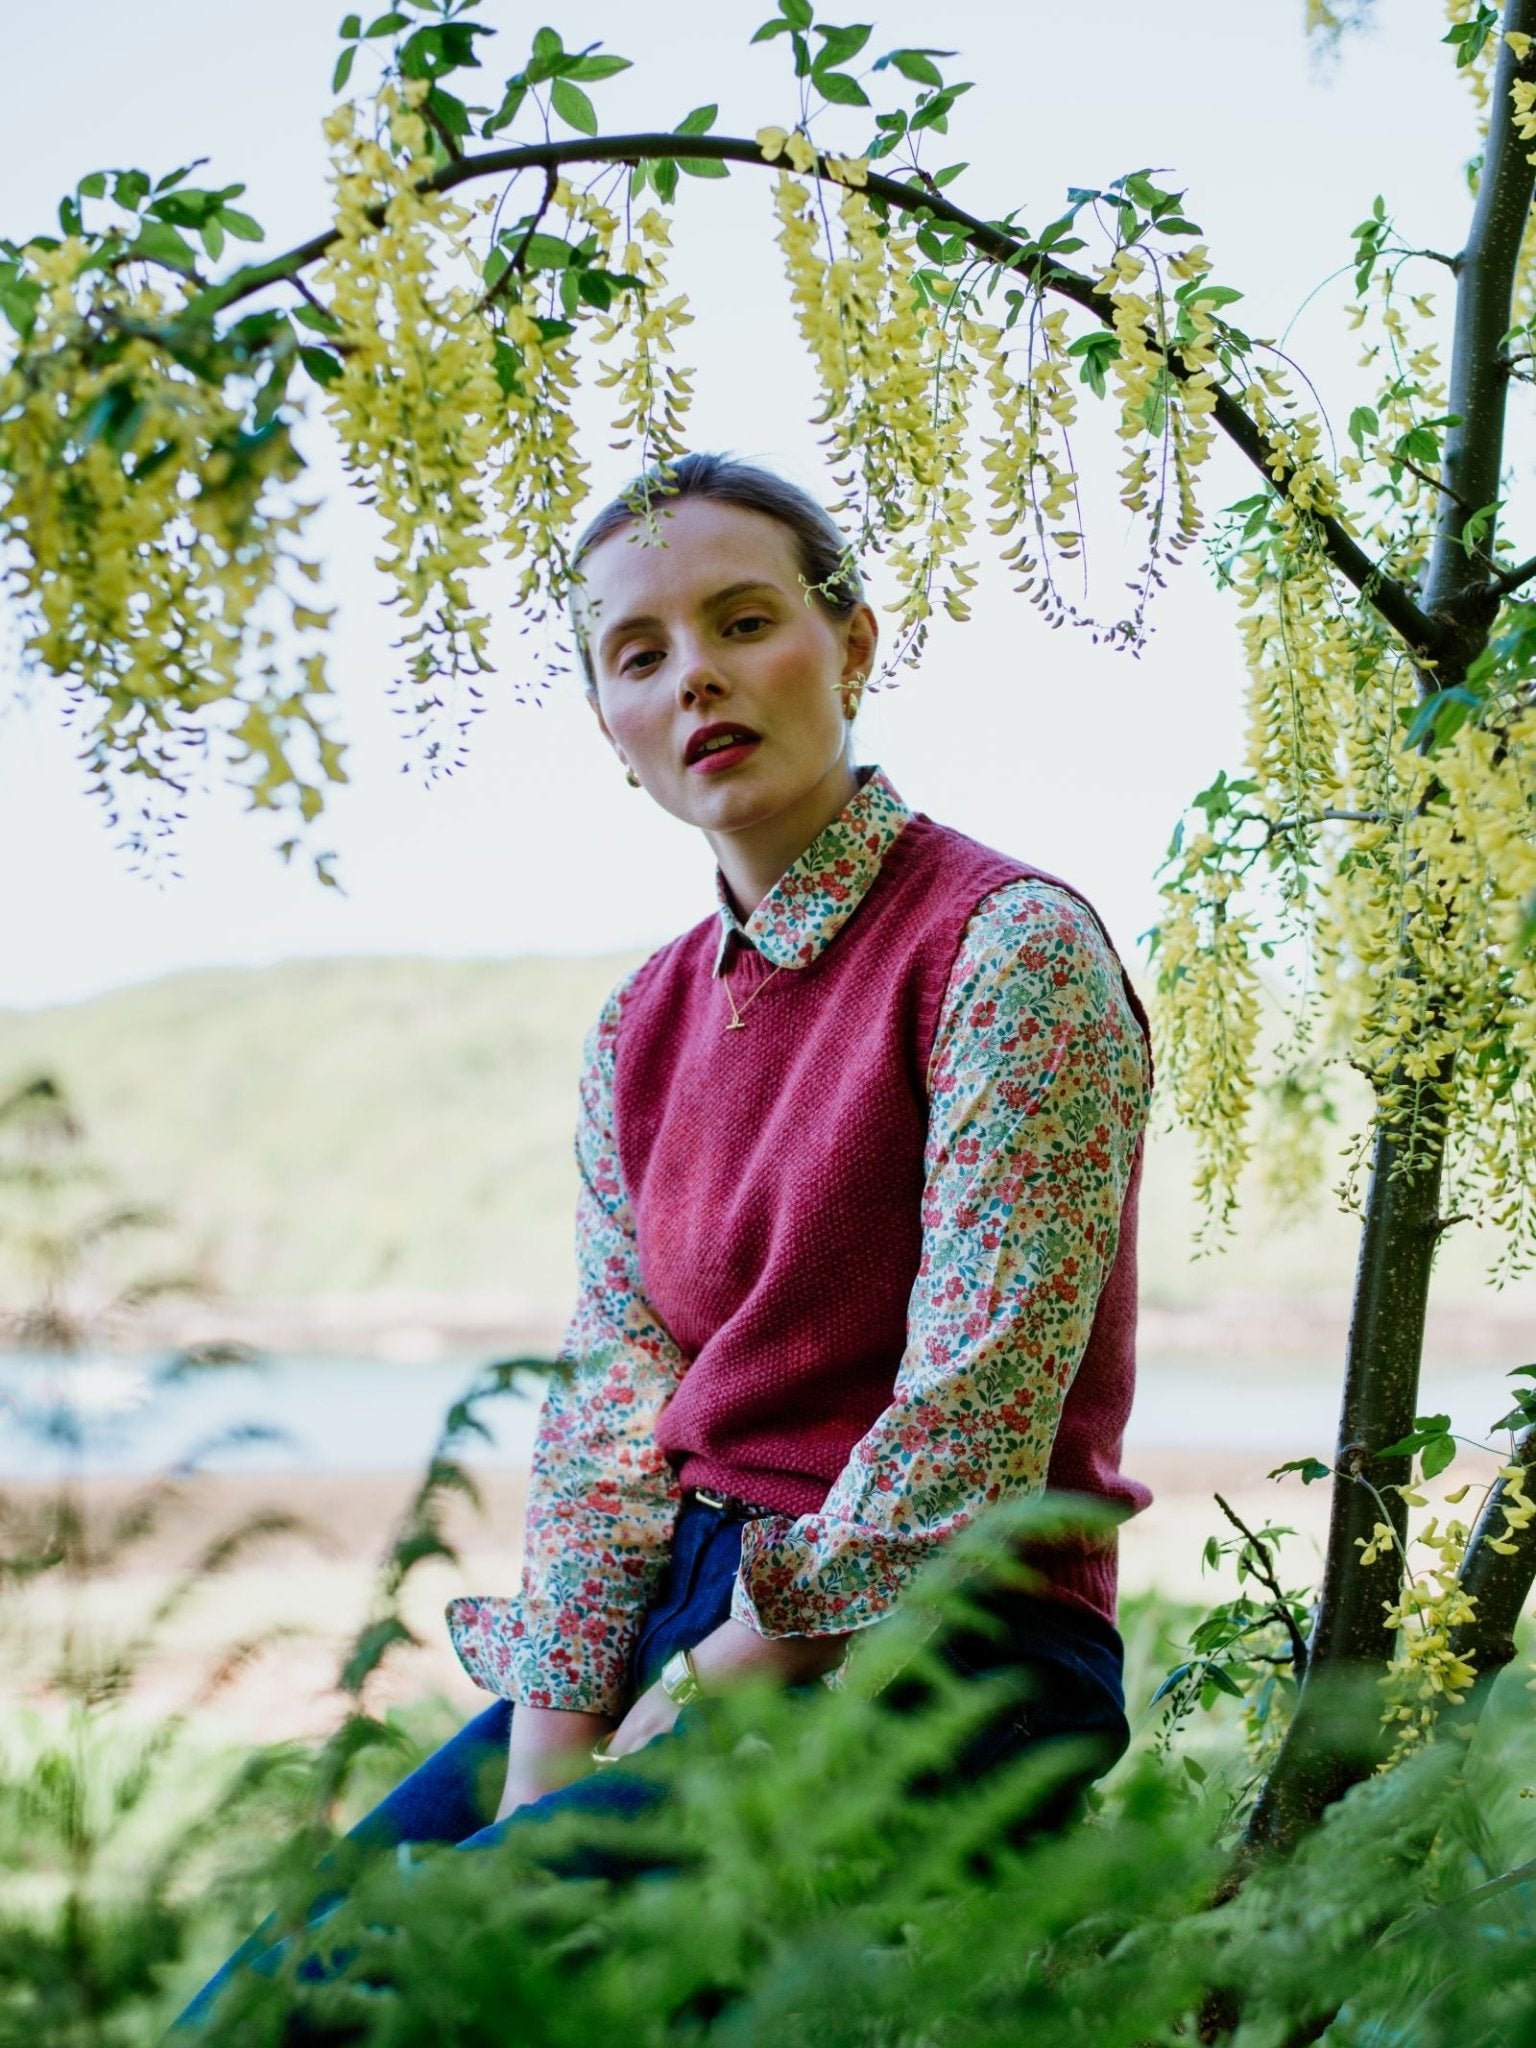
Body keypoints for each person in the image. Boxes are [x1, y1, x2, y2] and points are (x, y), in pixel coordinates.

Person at [172, 452, 1152, 2032]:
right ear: (611, 731)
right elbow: (612, 1415)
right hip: (679, 1611)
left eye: (744, 620)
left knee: (409, 1990)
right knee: (261, 1999)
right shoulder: (639, 1024)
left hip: (949, 1650)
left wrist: (718, 1691)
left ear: (852, 642)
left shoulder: (1001, 948)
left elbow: (970, 1418)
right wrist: (551, 1757)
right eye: (641, 654)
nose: (697, 675)